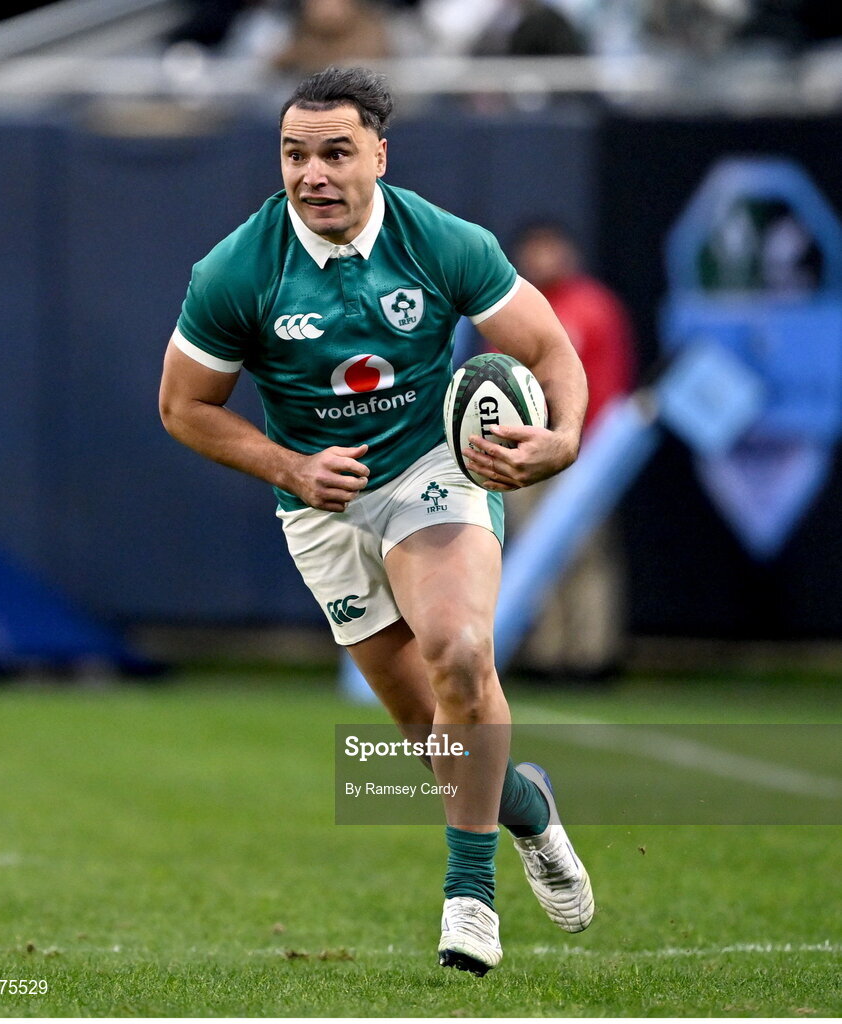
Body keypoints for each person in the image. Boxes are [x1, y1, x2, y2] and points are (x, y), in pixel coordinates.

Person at [159, 65, 593, 976]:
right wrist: (289, 465)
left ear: (379, 157)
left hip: (433, 467)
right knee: (434, 735)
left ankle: (469, 900)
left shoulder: (440, 240)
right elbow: (183, 406)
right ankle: (529, 810)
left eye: (335, 153)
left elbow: (549, 347)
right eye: (294, 154)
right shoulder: (238, 267)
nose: (312, 174)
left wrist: (562, 438)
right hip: (318, 502)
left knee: (463, 654)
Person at [499, 220, 637, 679]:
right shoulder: (510, 307)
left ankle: (593, 655)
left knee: (586, 553)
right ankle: (546, 654)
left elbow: (612, 383)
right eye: (534, 249)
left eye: (551, 248)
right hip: (522, 449)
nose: (544, 259)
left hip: (580, 448)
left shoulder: (593, 306)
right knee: (534, 551)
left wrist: (592, 448)